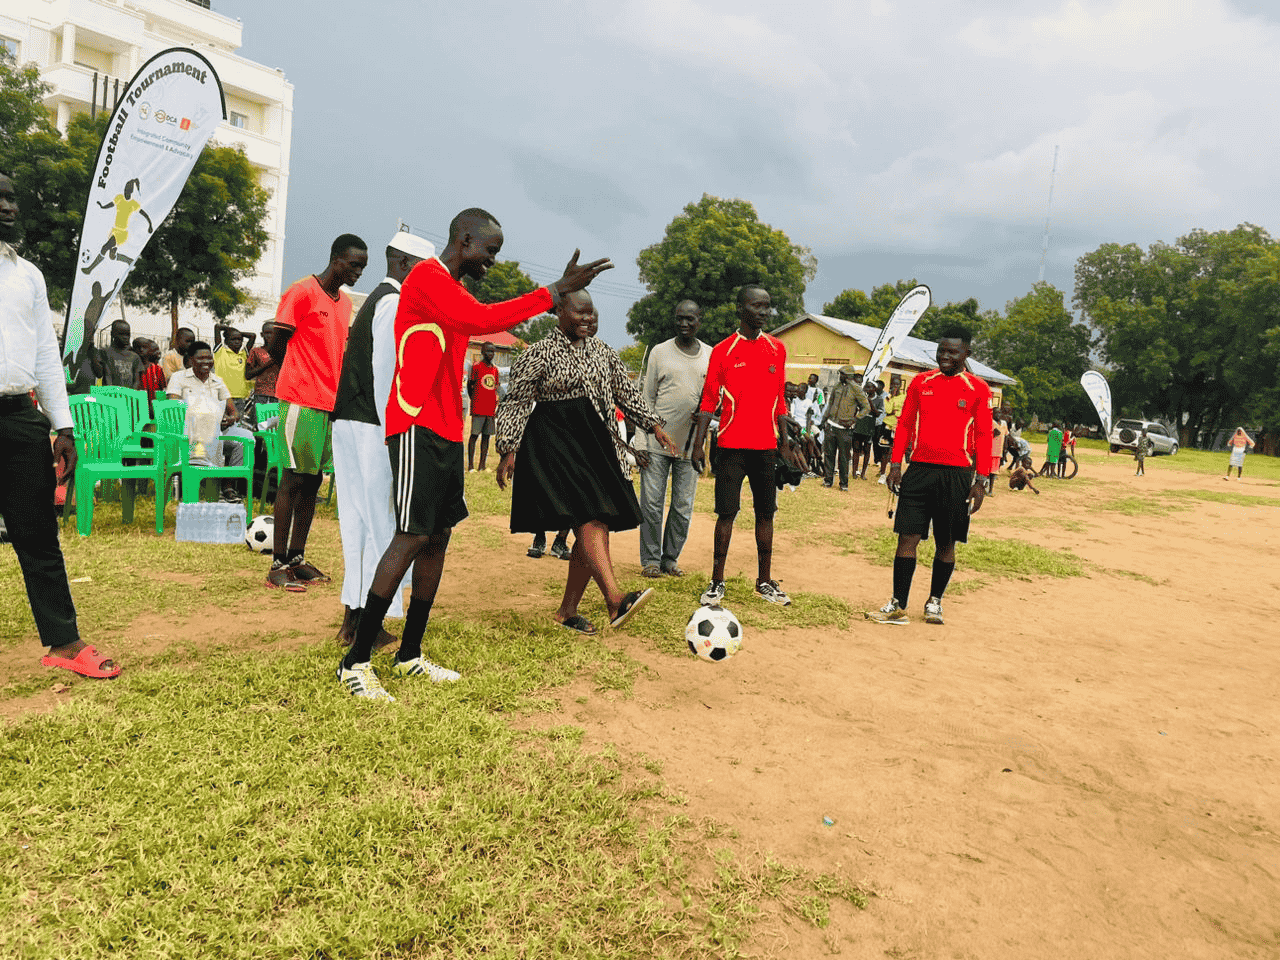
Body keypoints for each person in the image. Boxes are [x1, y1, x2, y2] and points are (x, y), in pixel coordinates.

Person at [337, 207, 614, 700]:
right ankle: (355, 661)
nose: (492, 261)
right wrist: (552, 291)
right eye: (490, 251)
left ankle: (409, 654)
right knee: (411, 535)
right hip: (416, 425)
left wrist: (551, 298)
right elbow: (484, 319)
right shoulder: (427, 279)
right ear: (464, 240)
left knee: (437, 538)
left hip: (446, 430)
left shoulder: (454, 289)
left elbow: (483, 316)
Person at [498, 289, 677, 632]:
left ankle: (567, 612)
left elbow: (626, 392)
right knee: (589, 516)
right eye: (579, 312)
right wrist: (509, 448)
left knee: (596, 518)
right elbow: (516, 401)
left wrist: (654, 426)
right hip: (555, 441)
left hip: (595, 442)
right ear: (559, 312)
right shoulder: (538, 353)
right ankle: (615, 599)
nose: (587, 318)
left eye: (591, 312)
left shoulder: (603, 351)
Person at [0, 170, 120, 678]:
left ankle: (64, 643)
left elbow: (46, 356)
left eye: (11, 198)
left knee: (38, 537)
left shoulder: (26, 275)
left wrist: (63, 426)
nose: (9, 207)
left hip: (18, 419)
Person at [330, 232, 434, 647]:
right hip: (373, 425)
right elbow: (387, 374)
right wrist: (395, 432)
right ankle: (369, 626)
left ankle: (352, 620)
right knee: (379, 525)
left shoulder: (376, 298)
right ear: (404, 264)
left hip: (351, 421)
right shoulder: (392, 303)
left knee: (357, 524)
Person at [866, 324, 992, 627]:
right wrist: (895, 465)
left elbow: (984, 435)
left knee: (945, 542)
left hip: (957, 475)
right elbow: (905, 424)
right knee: (906, 537)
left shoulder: (978, 389)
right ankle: (898, 606)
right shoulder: (921, 383)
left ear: (967, 353)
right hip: (919, 471)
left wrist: (981, 480)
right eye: (941, 351)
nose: (945, 356)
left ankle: (935, 601)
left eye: (952, 352)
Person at [265, 234, 369, 590]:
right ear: (336, 258)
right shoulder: (302, 292)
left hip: (329, 404)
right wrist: (300, 375)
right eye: (354, 265)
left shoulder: (345, 302)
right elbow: (277, 345)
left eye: (362, 267)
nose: (358, 272)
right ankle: (278, 564)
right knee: (292, 479)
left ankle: (297, 557)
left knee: (313, 480)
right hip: (300, 399)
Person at [691, 285, 803, 607]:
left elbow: (780, 401)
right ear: (741, 309)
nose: (764, 312)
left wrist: (785, 443)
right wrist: (698, 445)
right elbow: (709, 400)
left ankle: (764, 581)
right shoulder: (723, 350)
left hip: (766, 448)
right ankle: (716, 582)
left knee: (766, 514)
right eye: (757, 306)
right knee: (726, 514)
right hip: (731, 447)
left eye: (767, 306)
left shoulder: (777, 349)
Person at [636, 299, 710, 579]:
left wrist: (706, 419)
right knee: (651, 505)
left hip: (690, 447)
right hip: (656, 444)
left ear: (699, 320)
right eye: (680, 318)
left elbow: (713, 401)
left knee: (682, 507)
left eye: (690, 319)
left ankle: (670, 559)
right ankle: (651, 560)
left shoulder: (710, 355)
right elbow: (646, 399)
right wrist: (641, 441)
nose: (684, 324)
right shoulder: (659, 352)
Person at [165, 341, 255, 501]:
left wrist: (229, 419)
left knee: (246, 438)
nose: (206, 362)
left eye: (209, 358)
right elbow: (173, 407)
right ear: (191, 359)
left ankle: (227, 486)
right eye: (201, 358)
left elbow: (234, 412)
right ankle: (200, 483)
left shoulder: (217, 381)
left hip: (217, 430)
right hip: (188, 431)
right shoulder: (179, 378)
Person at [819, 365, 870, 491]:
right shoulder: (837, 386)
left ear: (848, 376)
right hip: (831, 425)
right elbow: (830, 404)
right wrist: (823, 421)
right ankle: (828, 480)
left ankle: (843, 484)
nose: (840, 376)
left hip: (845, 429)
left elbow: (866, 407)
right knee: (829, 455)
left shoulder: (856, 389)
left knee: (844, 457)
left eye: (842, 374)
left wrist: (854, 419)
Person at [467, 341, 500, 471]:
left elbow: (495, 388)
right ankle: (471, 466)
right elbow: (470, 387)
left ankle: (482, 465)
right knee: (474, 436)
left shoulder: (495, 370)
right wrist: (475, 400)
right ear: (482, 352)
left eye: (492, 351)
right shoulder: (476, 367)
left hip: (490, 410)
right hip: (478, 408)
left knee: (486, 437)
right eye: (488, 351)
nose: (490, 354)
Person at [213, 324, 253, 420]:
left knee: (237, 423)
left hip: (239, 397)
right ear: (226, 341)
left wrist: (237, 332)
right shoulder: (220, 351)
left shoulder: (243, 354)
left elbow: (253, 336)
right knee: (220, 422)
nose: (237, 341)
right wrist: (231, 331)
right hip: (222, 397)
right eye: (233, 339)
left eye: (239, 339)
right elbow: (217, 327)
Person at [244, 320, 279, 415]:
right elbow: (248, 375)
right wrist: (268, 364)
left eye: (273, 333)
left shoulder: (283, 352)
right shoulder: (256, 351)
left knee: (274, 423)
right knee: (261, 422)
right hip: (261, 394)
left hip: (279, 395)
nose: (270, 336)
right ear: (262, 334)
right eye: (267, 333)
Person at [98, 319, 144, 388]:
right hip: (110, 393)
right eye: (121, 334)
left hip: (129, 394)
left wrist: (132, 392)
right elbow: (103, 375)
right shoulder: (105, 353)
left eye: (128, 334)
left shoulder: (134, 357)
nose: (125, 337)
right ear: (112, 334)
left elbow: (137, 381)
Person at [877, 376, 905, 484]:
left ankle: (894, 474)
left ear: (900, 385)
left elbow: (903, 411)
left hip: (899, 427)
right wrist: (894, 410)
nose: (895, 386)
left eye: (897, 384)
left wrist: (895, 412)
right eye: (893, 384)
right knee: (885, 451)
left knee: (897, 452)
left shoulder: (904, 397)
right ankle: (882, 474)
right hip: (887, 426)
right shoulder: (887, 397)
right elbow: (888, 410)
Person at [851, 379, 880, 481]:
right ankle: (854, 472)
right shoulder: (860, 398)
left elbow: (877, 414)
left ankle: (863, 473)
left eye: (869, 387)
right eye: (866, 387)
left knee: (867, 450)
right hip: (859, 426)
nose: (867, 389)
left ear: (874, 389)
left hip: (869, 428)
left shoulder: (879, 399)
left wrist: (870, 403)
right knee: (856, 449)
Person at [135, 338, 167, 403]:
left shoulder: (157, 369)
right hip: (136, 405)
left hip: (153, 405)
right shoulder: (133, 367)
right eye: (138, 347)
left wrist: (159, 405)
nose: (141, 349)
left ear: (149, 349)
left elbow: (162, 391)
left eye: (144, 347)